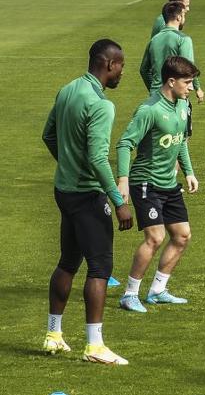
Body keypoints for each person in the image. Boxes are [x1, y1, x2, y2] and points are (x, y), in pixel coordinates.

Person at [42, 39, 135, 365]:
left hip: (64, 191)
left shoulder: (68, 90)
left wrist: (66, 163)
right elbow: (97, 158)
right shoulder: (101, 104)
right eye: (121, 65)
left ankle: (54, 335)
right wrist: (118, 200)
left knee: (68, 260)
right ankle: (94, 346)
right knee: (99, 267)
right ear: (109, 64)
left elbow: (48, 134)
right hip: (87, 195)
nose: (123, 70)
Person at [116, 56, 201, 311]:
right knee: (155, 237)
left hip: (169, 183)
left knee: (182, 236)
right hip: (146, 182)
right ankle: (130, 294)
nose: (191, 88)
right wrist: (123, 180)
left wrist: (188, 172)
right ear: (171, 81)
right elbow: (124, 143)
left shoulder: (183, 105)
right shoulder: (149, 110)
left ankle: (158, 290)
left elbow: (181, 140)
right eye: (188, 83)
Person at [141, 1, 205, 104]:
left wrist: (154, 89)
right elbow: (189, 68)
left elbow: (144, 70)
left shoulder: (154, 40)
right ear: (179, 17)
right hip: (175, 97)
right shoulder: (183, 39)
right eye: (183, 15)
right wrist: (197, 88)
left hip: (155, 97)